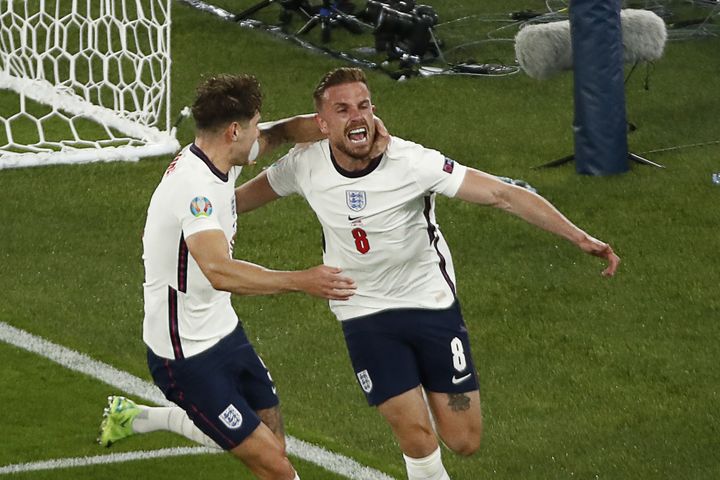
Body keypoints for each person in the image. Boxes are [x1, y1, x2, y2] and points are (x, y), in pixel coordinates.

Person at [231, 67, 621, 480]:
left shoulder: (413, 163)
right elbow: (237, 200)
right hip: (360, 307)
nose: (356, 116)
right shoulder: (303, 164)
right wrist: (193, 210)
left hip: (428, 300)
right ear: (321, 125)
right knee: (414, 432)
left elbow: (503, 194)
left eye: (363, 106)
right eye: (342, 110)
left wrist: (579, 237)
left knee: (464, 440)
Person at [97, 73, 372, 480]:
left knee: (272, 446)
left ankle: (140, 418)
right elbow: (219, 271)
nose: (257, 134)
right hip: (184, 354)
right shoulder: (195, 189)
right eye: (252, 126)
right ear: (233, 131)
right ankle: (154, 416)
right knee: (276, 467)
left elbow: (278, 134)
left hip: (224, 331)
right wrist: (302, 280)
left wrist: (336, 127)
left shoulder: (220, 156)